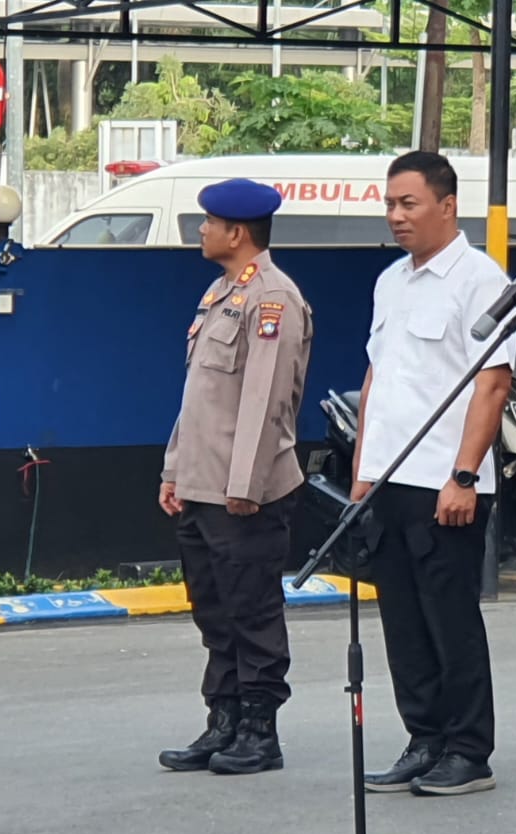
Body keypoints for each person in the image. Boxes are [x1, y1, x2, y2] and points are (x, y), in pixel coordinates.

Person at [351, 151, 515, 797]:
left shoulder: (481, 278)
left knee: (450, 621)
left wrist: (464, 476)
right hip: (389, 478)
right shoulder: (390, 280)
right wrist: (364, 473)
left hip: (446, 482)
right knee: (403, 621)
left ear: (447, 204)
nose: (396, 216)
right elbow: (376, 379)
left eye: (408, 203)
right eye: (390, 204)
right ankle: (424, 739)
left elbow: (492, 384)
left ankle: (468, 751)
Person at [158, 179, 313, 776]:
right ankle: (222, 718)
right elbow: (197, 399)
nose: (201, 230)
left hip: (241, 492)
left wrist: (244, 484)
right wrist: (174, 470)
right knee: (213, 609)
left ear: (237, 233)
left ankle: (259, 728)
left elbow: (266, 401)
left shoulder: (272, 299)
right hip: (202, 485)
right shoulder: (220, 294)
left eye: (209, 222)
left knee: (251, 609)